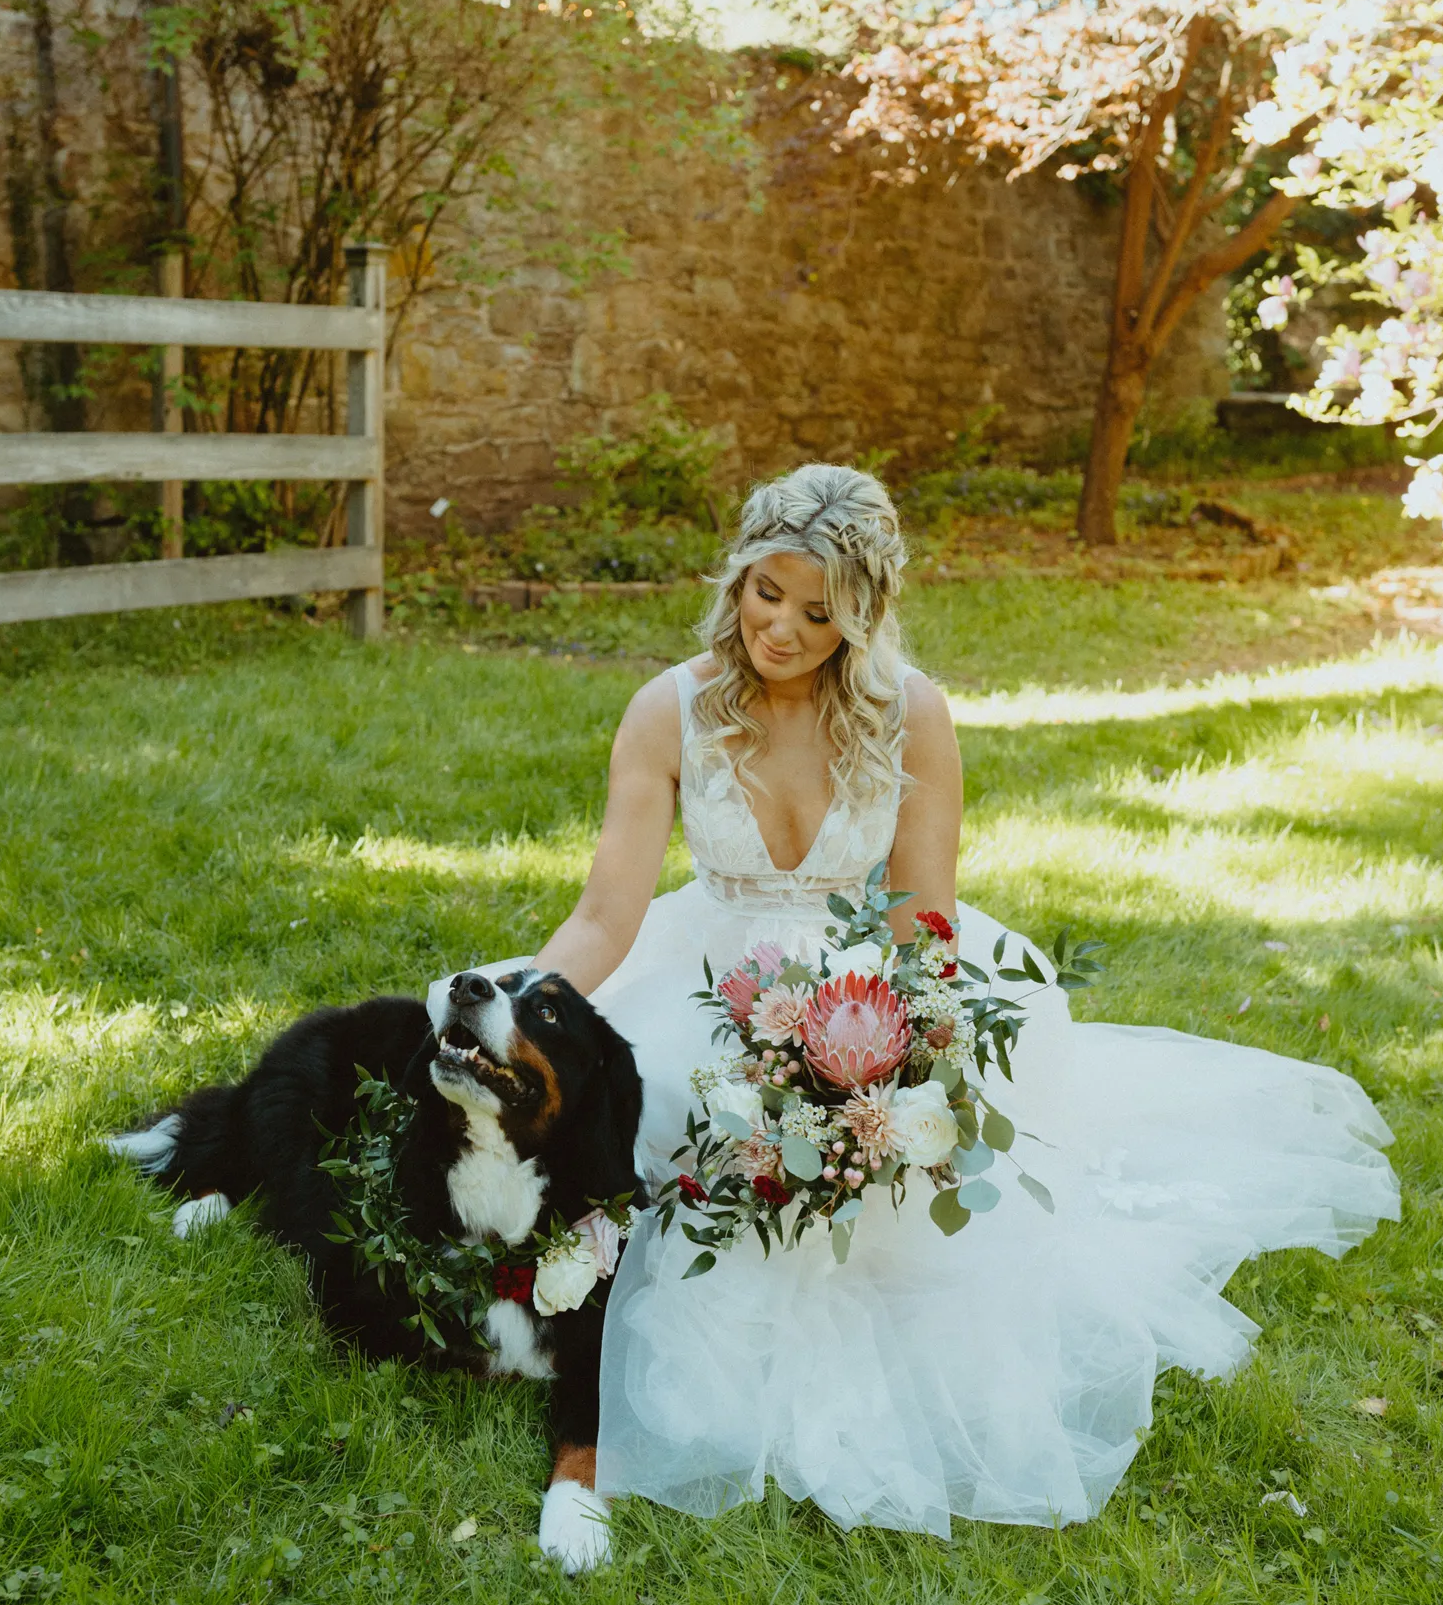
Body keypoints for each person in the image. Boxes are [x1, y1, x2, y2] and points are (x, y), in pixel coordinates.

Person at [535, 463, 1398, 1546]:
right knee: (659, 1103)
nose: (785, 631)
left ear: (864, 611)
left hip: (864, 979)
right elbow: (609, 915)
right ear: (738, 576)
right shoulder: (669, 710)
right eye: (768, 595)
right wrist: (528, 1005)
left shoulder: (910, 713)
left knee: (903, 1157)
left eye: (820, 611)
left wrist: (875, 1060)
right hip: (703, 977)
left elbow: (919, 921)